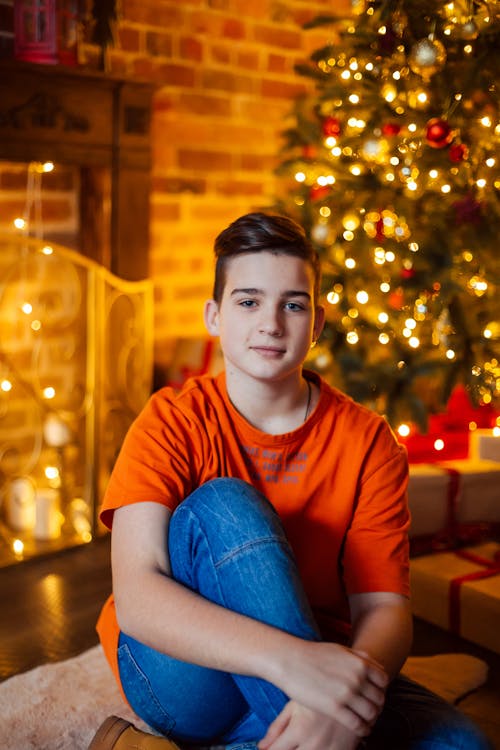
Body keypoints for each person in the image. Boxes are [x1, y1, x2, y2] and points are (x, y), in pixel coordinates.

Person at [89, 213, 492, 750]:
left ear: (317, 322)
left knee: (465, 746)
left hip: (320, 657)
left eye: (293, 304)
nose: (272, 324)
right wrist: (298, 666)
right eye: (249, 301)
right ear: (214, 315)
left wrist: (335, 705)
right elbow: (138, 597)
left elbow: (383, 610)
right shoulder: (170, 420)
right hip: (182, 670)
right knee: (226, 504)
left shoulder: (368, 441)